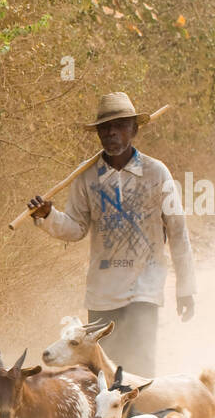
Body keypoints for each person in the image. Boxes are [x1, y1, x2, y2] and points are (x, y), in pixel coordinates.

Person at [27, 92, 197, 376]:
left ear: (134, 129)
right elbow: (76, 228)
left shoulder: (157, 174)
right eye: (105, 128)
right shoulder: (87, 178)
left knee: (139, 367)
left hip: (145, 287)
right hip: (103, 292)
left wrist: (186, 289)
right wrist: (48, 216)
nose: (111, 132)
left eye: (119, 125)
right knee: (102, 373)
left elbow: (178, 234)